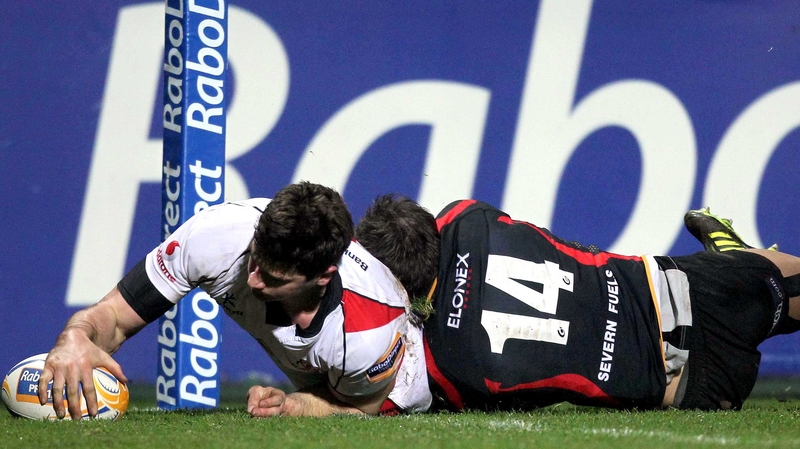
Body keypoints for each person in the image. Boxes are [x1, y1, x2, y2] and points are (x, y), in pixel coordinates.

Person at [355, 195, 800, 411]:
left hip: (698, 389)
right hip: (695, 289)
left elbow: (384, 396)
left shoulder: (446, 368)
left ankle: (737, 253)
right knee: (776, 278)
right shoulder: (467, 217)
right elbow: (450, 223)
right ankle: (736, 254)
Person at [39, 182, 431, 420]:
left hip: (402, 380)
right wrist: (77, 335)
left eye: (273, 277)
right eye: (255, 258)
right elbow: (115, 316)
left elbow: (362, 413)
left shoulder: (370, 332)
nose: (252, 277)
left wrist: (297, 405)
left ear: (321, 276)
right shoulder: (218, 235)